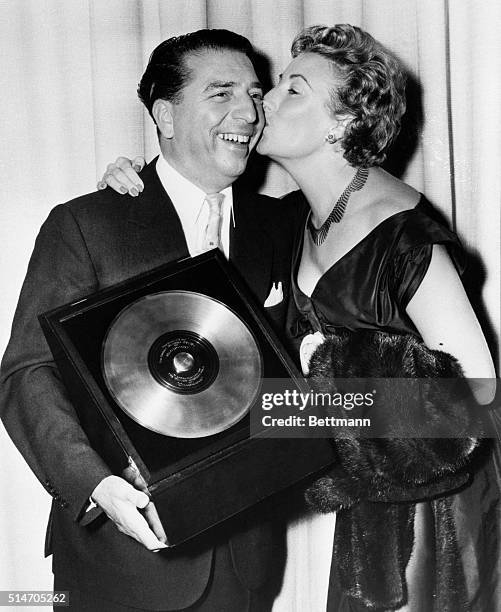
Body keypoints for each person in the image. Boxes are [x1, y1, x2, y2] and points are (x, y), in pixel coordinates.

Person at [102, 24, 498, 611]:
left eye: (292, 90)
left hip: (438, 513)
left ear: (342, 123)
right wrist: (138, 182)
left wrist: (320, 384)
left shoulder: (405, 232)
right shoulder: (289, 221)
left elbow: (479, 397)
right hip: (369, 503)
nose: (264, 101)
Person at [0, 29, 295, 611]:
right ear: (164, 114)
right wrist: (97, 486)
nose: (249, 112)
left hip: (244, 565)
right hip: (116, 563)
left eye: (256, 95)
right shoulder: (89, 222)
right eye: (222, 93)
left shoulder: (281, 226)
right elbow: (26, 373)